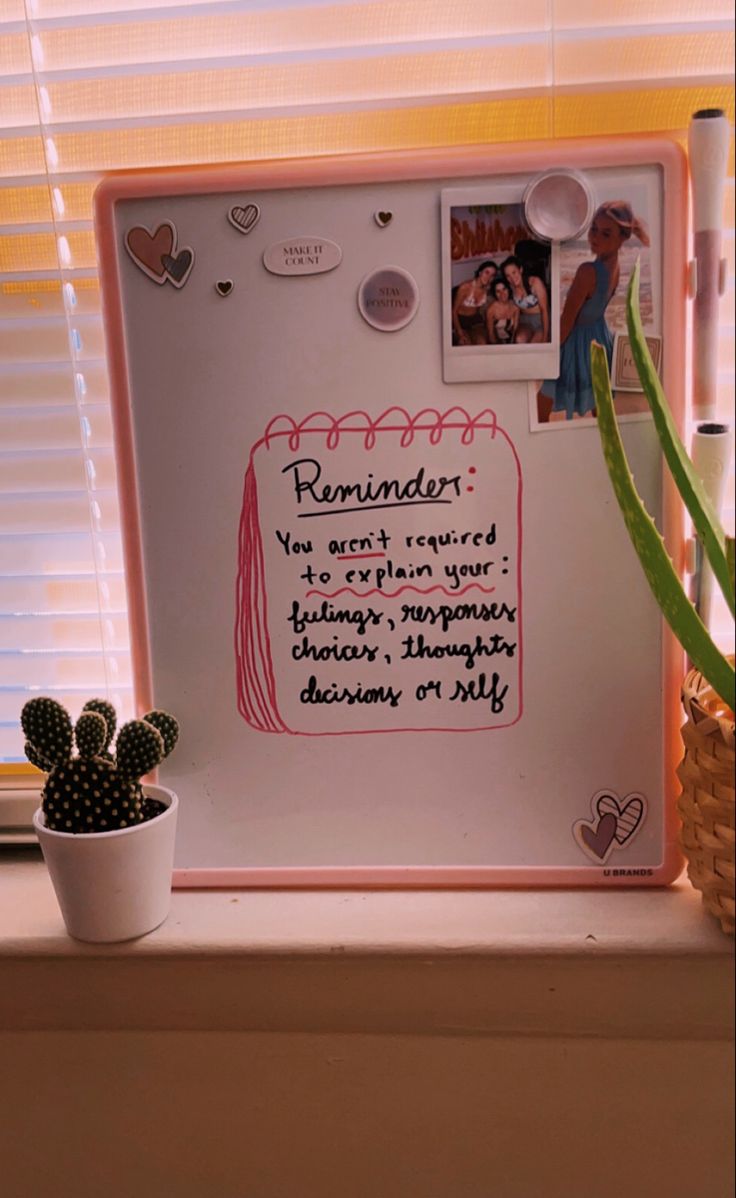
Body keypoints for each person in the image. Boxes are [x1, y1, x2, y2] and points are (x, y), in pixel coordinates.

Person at [538, 201, 650, 422]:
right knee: (600, 401)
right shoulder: (614, 268)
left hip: (577, 341)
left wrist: (547, 353)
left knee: (543, 401)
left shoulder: (587, 271)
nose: (595, 237)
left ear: (622, 238)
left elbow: (567, 321)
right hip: (599, 337)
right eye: (594, 229)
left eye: (606, 234)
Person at [501, 255, 549, 344]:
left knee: (534, 344)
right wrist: (514, 332)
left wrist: (545, 338)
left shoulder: (534, 282)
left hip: (541, 319)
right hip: (525, 321)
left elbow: (544, 310)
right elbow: (517, 310)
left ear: (521, 270)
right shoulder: (511, 287)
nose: (512, 278)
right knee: (519, 339)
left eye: (514, 272)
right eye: (508, 276)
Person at [452, 260, 497, 345]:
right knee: (465, 344)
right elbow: (454, 311)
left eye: (492, 275)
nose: (488, 277)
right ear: (480, 272)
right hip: (460, 320)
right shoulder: (465, 287)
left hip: (475, 320)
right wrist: (459, 331)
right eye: (486, 272)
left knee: (482, 343)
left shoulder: (487, 289)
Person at [485, 276, 519, 344]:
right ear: (495, 294)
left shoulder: (515, 307)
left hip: (511, 341)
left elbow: (515, 330)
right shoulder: (491, 309)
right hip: (496, 342)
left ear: (508, 289)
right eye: (498, 291)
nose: (502, 293)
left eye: (504, 289)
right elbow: (490, 334)